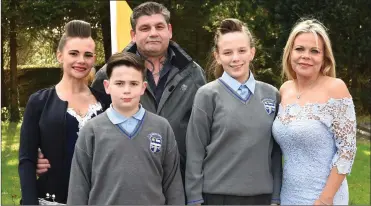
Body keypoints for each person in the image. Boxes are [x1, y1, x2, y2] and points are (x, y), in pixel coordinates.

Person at [37, 1, 207, 186]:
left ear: (169, 30)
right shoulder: (109, 73)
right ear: (133, 35)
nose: (153, 33)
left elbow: (207, 129)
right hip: (122, 180)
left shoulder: (193, 74)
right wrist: (43, 150)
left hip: (179, 179)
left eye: (159, 26)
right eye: (145, 28)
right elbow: (84, 120)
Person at [185, 18, 282, 205]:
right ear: (217, 56)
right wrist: (195, 199)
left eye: (242, 51)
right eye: (228, 52)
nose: (235, 58)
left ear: (252, 53)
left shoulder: (271, 95)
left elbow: (275, 153)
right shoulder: (207, 95)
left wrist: (276, 196)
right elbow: (195, 153)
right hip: (216, 198)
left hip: (262, 198)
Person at [67, 52, 184, 205]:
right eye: (120, 83)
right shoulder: (91, 130)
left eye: (133, 84)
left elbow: (173, 185)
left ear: (143, 87)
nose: (127, 90)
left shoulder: (161, 127)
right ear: (107, 87)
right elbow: (78, 187)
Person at [18, 20, 111, 205]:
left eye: (88, 55)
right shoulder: (39, 102)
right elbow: (27, 160)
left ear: (94, 59)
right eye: (74, 53)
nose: (81, 61)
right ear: (60, 56)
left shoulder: (107, 102)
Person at [272, 19, 357, 205]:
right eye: (299, 49)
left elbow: (347, 151)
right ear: (289, 52)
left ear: (324, 57)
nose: (306, 56)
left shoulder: (336, 89)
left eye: (314, 51)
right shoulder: (284, 89)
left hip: (324, 197)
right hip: (288, 196)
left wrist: (325, 200)